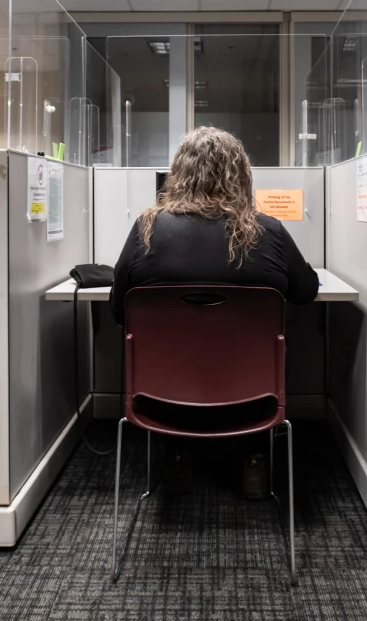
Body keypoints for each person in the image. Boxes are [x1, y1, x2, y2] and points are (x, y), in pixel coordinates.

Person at [110, 126, 319, 496]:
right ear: (241, 176)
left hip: (162, 396)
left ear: (179, 175)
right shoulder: (267, 231)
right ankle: (255, 461)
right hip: (253, 394)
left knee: (171, 353)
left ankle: (176, 455)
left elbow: (118, 310)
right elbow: (306, 292)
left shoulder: (147, 228)